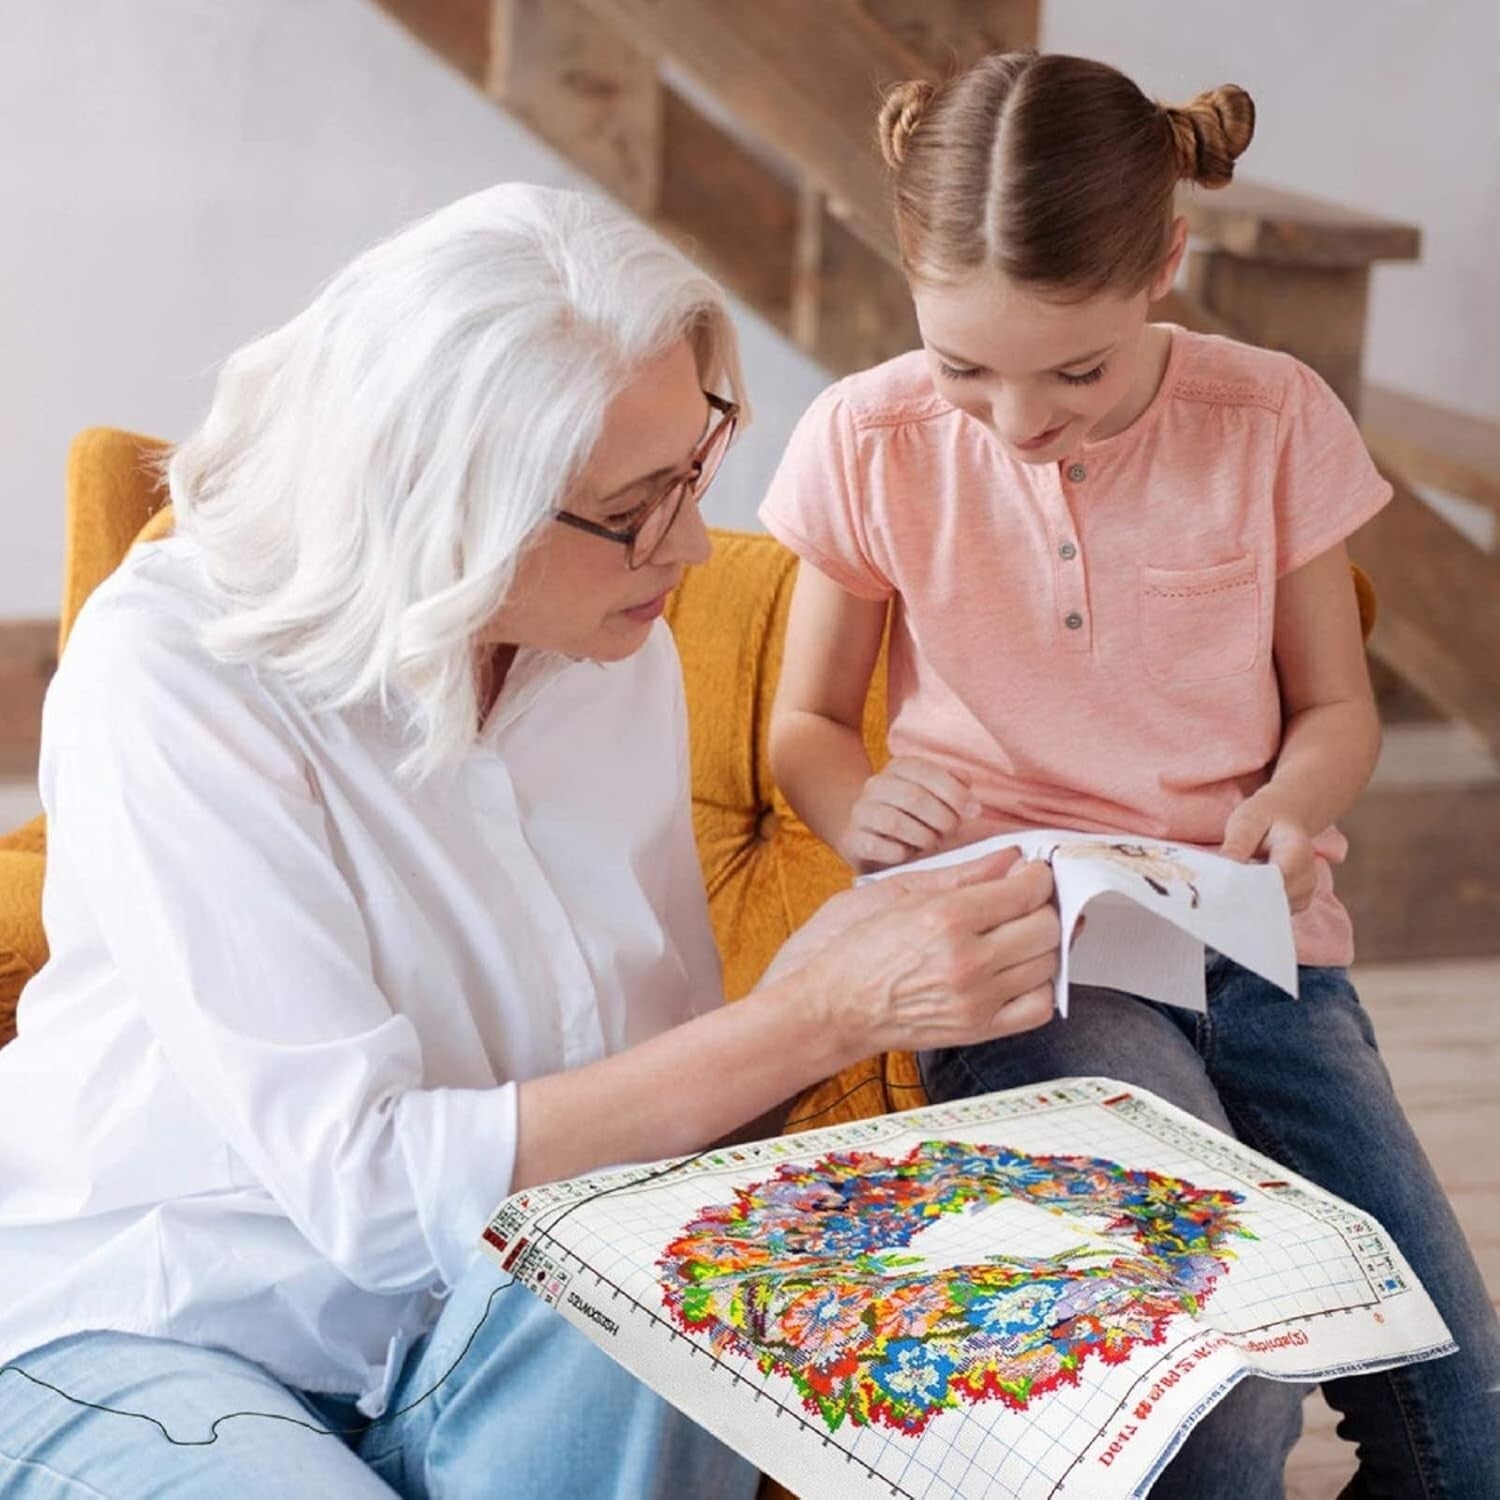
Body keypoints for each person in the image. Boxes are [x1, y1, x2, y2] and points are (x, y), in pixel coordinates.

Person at [0, 183, 1065, 1499]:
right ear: (450, 501)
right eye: (636, 506)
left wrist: (829, 995)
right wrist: (811, 1019)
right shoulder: (173, 667)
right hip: (165, 1325)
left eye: (694, 468)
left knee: (703, 1274)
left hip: (477, 1317)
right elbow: (370, 1191)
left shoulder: (606, 649)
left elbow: (653, 1136)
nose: (690, 544)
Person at [762, 51, 1500, 1497]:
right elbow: (808, 723)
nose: (1018, 420)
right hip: (1026, 959)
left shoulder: (1270, 417)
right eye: (965, 368)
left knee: (1466, 1436)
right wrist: (856, 805)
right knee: (1224, 1393)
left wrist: (1293, 805)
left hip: (1260, 949)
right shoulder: (868, 437)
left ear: (1167, 262)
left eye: (1076, 371)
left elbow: (1334, 708)